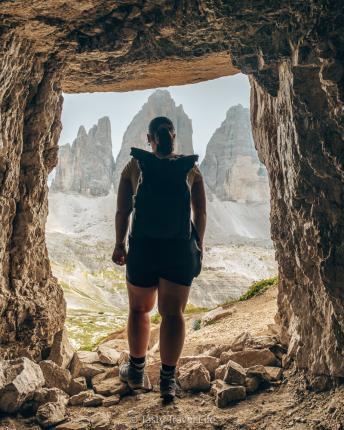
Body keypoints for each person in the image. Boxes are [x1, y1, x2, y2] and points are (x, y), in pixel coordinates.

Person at [112, 116, 206, 402]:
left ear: (149, 139)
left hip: (143, 248)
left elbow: (122, 212)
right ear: (173, 137)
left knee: (140, 310)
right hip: (178, 250)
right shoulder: (190, 168)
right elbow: (199, 214)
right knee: (173, 314)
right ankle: (167, 380)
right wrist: (197, 247)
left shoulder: (134, 165)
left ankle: (137, 371)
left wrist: (119, 244)